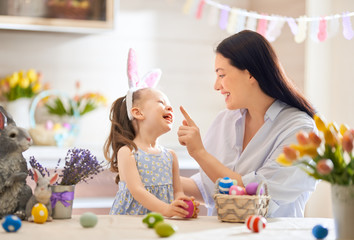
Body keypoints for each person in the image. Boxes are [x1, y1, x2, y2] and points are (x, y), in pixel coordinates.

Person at [177, 30, 317, 217]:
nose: (216, 86)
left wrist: (199, 153)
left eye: (221, 75)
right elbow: (207, 188)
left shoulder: (300, 130)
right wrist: (153, 173)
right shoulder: (225, 120)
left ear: (250, 74)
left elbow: (254, 195)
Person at [104, 48, 198, 217]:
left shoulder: (170, 156)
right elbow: (137, 191)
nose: (169, 107)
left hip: (162, 221)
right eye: (161, 102)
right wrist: (167, 209)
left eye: (169, 104)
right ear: (138, 113)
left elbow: (178, 192)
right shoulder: (128, 152)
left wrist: (183, 204)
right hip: (131, 224)